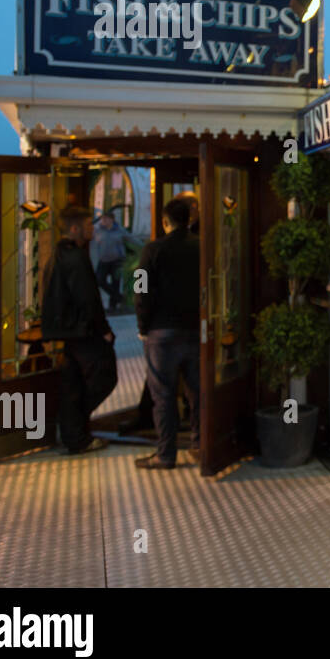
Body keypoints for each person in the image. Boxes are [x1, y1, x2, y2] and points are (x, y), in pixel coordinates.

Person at [41, 205, 117, 455]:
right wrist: (103, 329)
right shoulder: (76, 257)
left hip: (65, 331)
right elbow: (88, 297)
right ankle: (73, 427)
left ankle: (75, 434)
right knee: (104, 376)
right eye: (87, 225)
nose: (92, 229)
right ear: (75, 228)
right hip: (82, 330)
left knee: (73, 382)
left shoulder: (57, 255)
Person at [134, 197, 201, 470]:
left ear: (165, 222)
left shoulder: (152, 250)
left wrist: (142, 327)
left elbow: (141, 289)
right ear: (190, 219)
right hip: (196, 330)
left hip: (161, 333)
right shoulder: (201, 247)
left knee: (163, 394)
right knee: (198, 392)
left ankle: (166, 454)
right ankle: (201, 445)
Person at [91, 211, 127, 313]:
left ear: (112, 220)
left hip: (117, 260)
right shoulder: (97, 230)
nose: (103, 221)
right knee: (99, 280)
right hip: (104, 260)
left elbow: (130, 238)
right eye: (102, 219)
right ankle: (119, 297)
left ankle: (113, 306)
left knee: (115, 282)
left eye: (106, 219)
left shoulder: (119, 230)